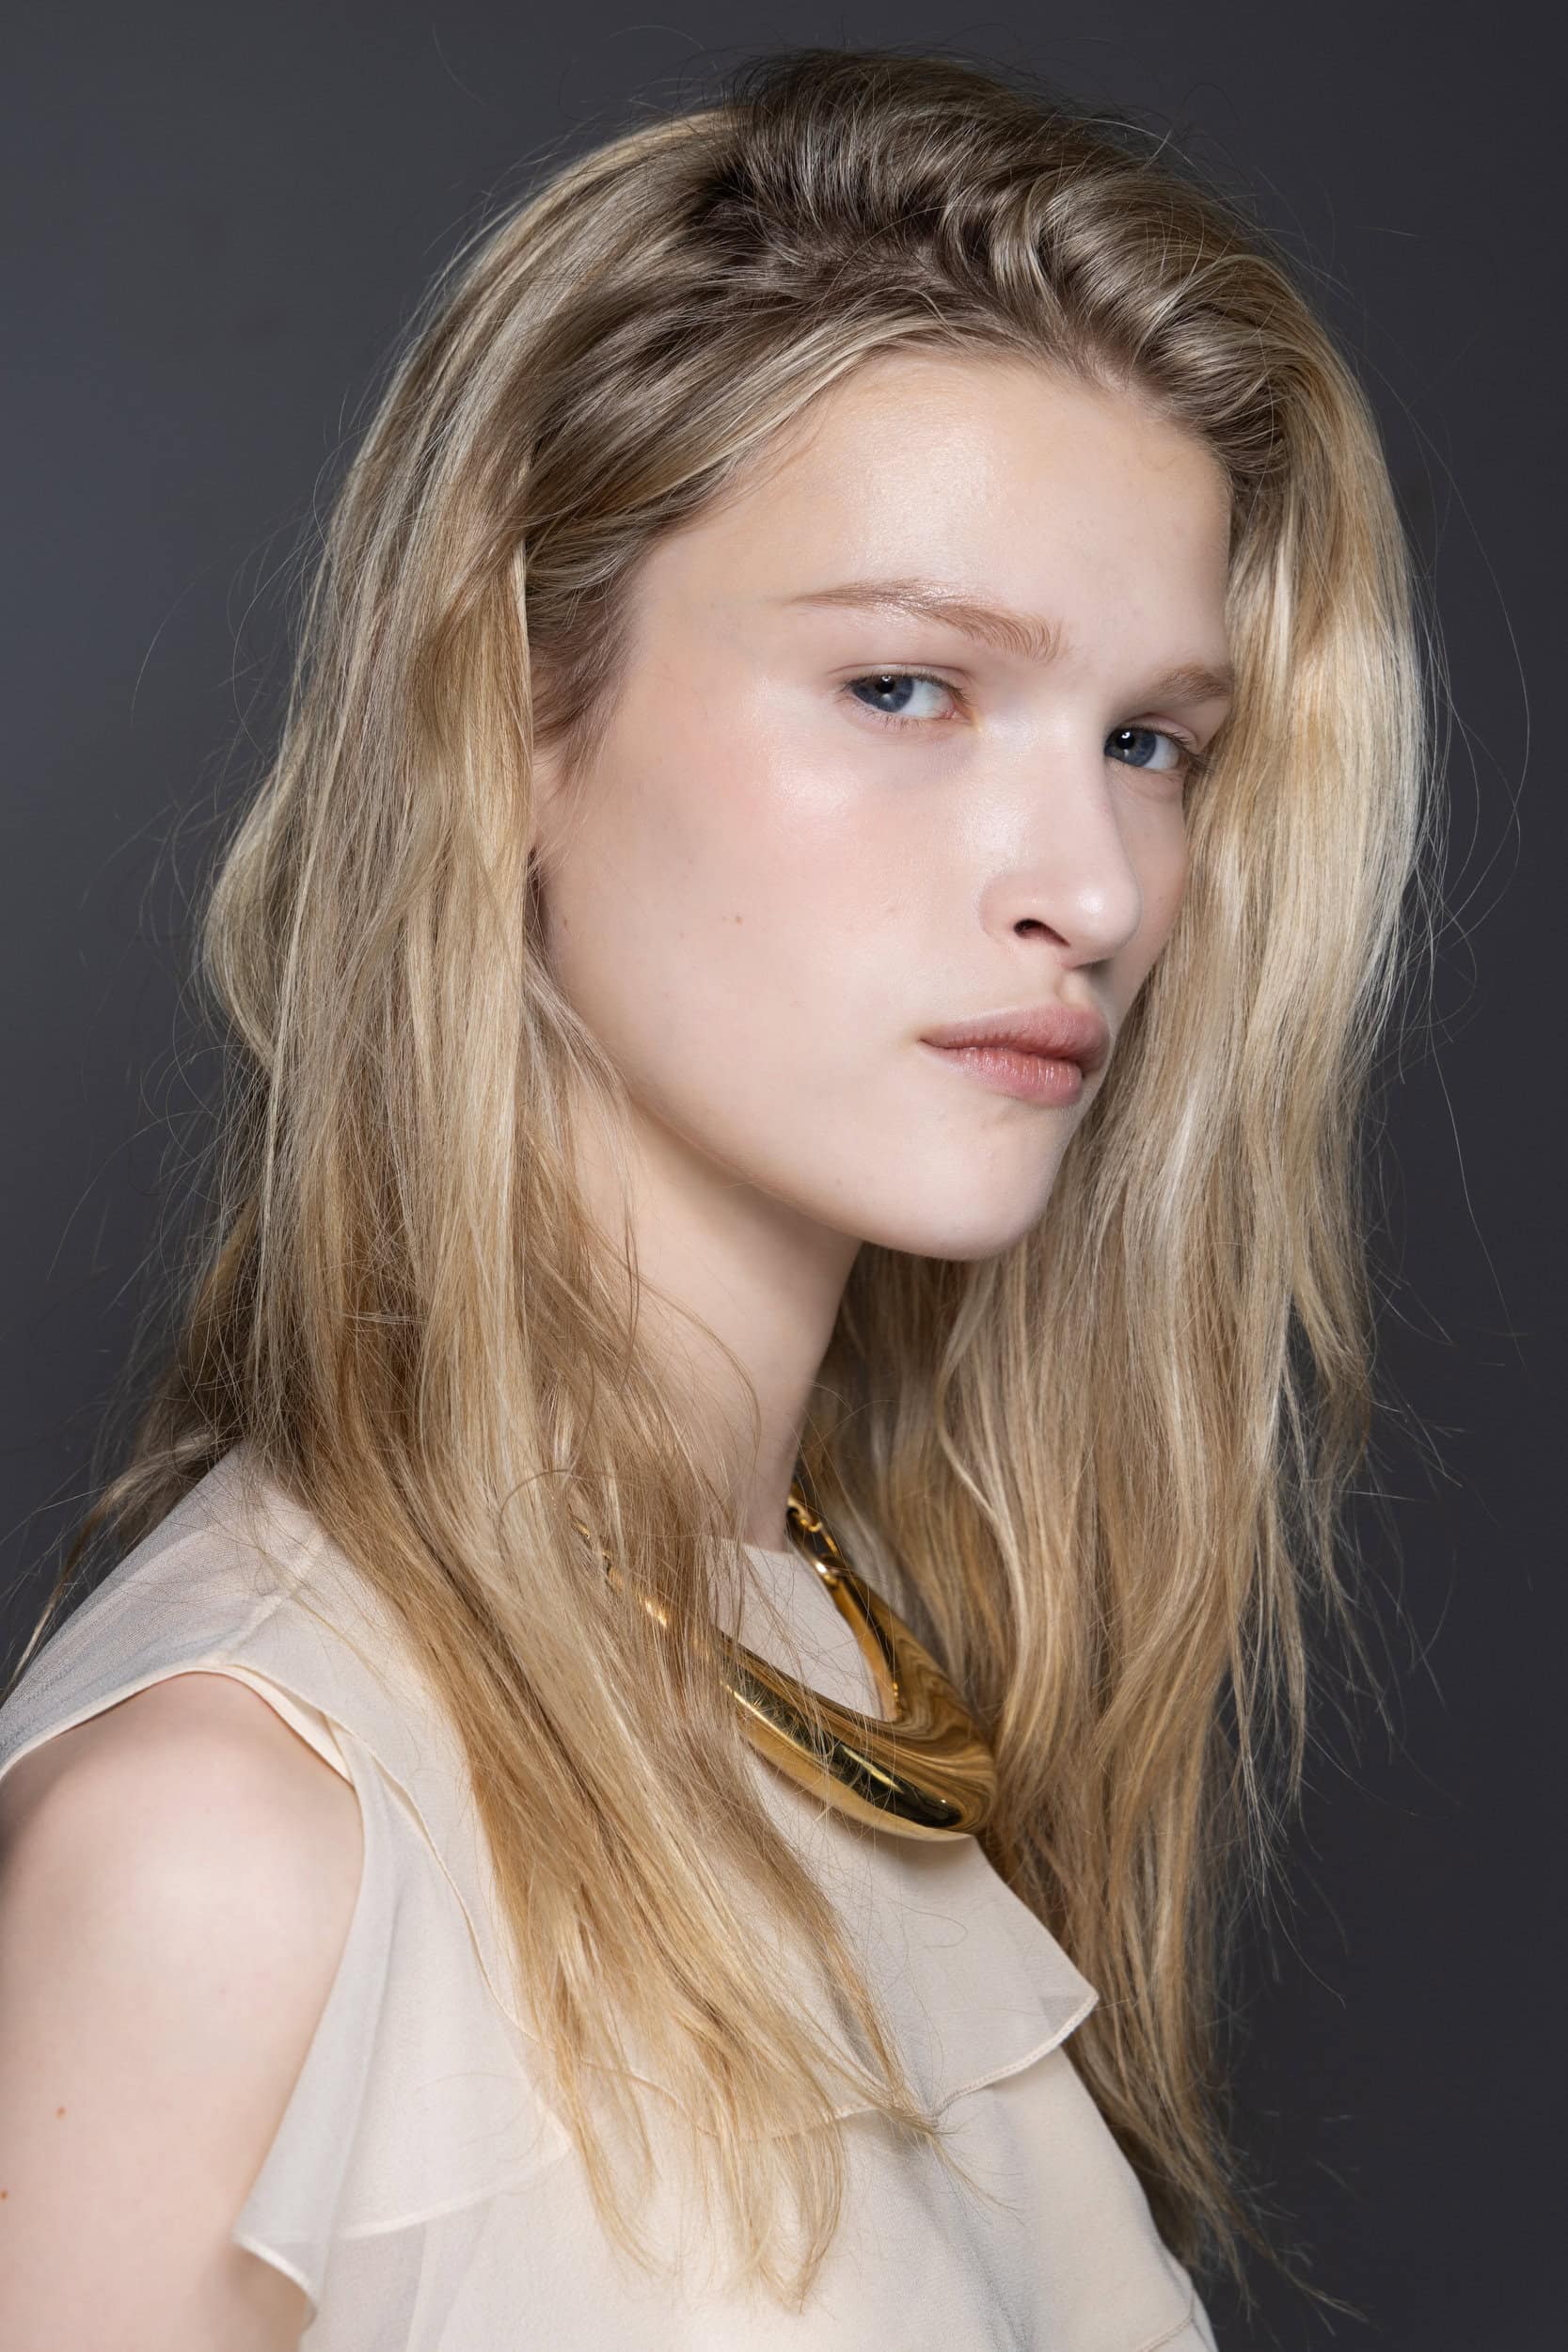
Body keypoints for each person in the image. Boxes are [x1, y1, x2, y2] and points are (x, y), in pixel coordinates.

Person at [0, 44, 1433, 2351]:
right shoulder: (224, 1844)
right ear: (510, 720)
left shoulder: (823, 1686)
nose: (1090, 885)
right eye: (905, 687)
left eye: (1148, 739)